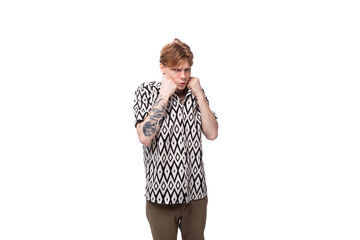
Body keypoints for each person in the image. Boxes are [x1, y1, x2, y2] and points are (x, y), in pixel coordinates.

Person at [133, 38, 218, 240]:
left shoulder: (195, 93)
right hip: (160, 195)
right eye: (176, 70)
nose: (183, 76)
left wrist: (199, 95)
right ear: (162, 68)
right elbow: (145, 137)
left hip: (195, 193)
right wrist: (163, 97)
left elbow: (212, 133)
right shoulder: (146, 91)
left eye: (187, 70)